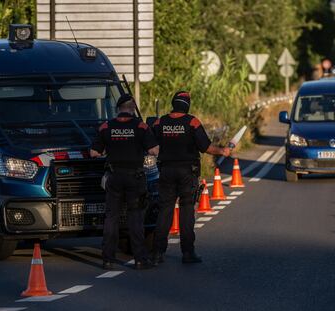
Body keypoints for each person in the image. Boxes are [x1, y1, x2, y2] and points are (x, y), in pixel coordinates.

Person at [152, 91, 231, 265]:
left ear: (173, 103)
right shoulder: (192, 122)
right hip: (187, 172)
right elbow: (206, 147)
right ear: (187, 105)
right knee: (187, 213)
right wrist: (222, 151)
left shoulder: (160, 122)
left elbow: (149, 143)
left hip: (166, 171)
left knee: (165, 211)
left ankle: (157, 253)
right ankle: (188, 253)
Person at [90, 95, 159, 270]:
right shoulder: (141, 127)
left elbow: (93, 153)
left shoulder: (106, 127)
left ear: (118, 108)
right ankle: (140, 260)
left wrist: (108, 152)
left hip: (114, 177)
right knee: (135, 218)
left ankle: (108, 259)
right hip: (135, 178)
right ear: (133, 108)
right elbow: (154, 150)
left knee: (111, 218)